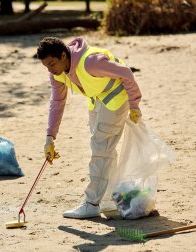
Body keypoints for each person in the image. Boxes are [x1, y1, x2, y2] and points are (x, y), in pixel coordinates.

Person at [36, 37, 142, 219]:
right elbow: (57, 102)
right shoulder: (57, 73)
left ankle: (92, 203)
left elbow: (126, 73)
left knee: (101, 148)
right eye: (46, 66)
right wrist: (50, 137)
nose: (50, 70)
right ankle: (109, 199)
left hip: (116, 98)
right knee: (105, 150)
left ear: (63, 55)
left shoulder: (91, 62)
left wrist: (134, 104)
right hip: (96, 99)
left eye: (52, 64)